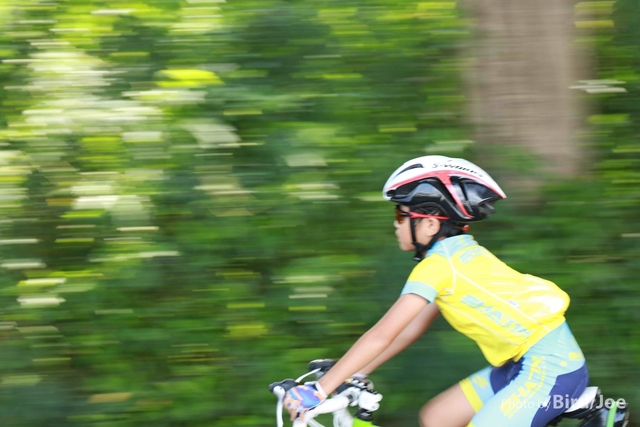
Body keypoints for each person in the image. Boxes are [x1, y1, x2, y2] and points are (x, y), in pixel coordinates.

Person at [283, 155, 588, 427]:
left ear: (429, 225)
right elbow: (407, 329)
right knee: (437, 418)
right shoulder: (457, 257)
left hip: (550, 368)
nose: (396, 225)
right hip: (521, 364)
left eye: (400, 216)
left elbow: (381, 335)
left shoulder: (439, 266)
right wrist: (354, 374)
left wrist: (319, 391)